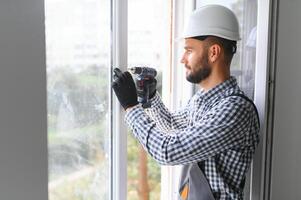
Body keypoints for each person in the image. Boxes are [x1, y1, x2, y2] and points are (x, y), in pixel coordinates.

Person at [112, 5, 260, 200]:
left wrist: (131, 108)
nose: (182, 59)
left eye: (189, 50)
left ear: (213, 52)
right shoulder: (203, 100)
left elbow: (168, 151)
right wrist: (152, 96)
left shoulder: (235, 110)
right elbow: (173, 127)